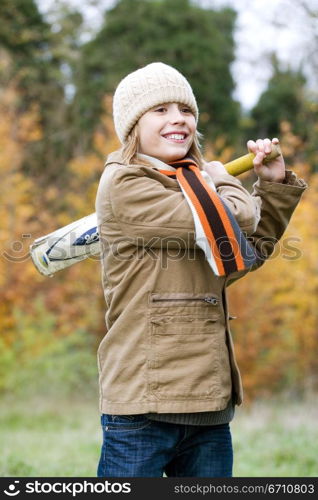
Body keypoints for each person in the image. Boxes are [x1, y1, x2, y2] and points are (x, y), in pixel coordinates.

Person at [95, 62, 307, 477]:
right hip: (145, 405)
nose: (178, 119)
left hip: (208, 403)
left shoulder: (192, 183)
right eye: (160, 110)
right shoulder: (125, 185)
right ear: (133, 125)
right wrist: (222, 178)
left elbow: (245, 251)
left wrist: (273, 186)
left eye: (185, 110)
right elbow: (237, 217)